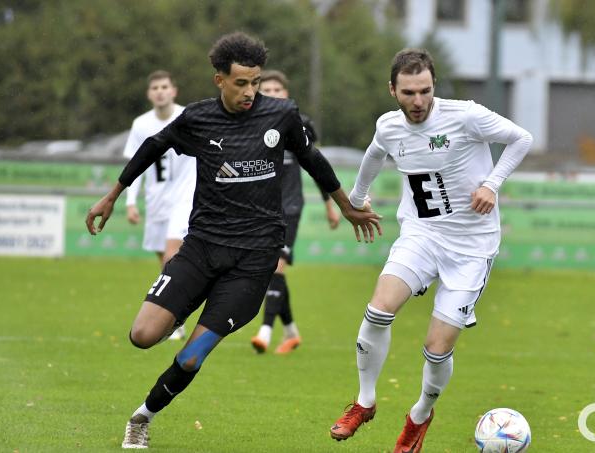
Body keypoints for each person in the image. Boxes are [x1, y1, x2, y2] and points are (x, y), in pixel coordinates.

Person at [85, 31, 381, 449]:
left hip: (254, 259)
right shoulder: (199, 119)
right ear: (219, 80)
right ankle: (179, 312)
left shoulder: (281, 115)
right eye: (240, 82)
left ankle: (141, 417)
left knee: (190, 356)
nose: (250, 92)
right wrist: (112, 195)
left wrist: (346, 205)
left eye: (255, 82)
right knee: (142, 335)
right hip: (202, 247)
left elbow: (313, 159)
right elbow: (154, 145)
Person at [328, 48, 532, 452]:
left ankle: (419, 416)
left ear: (433, 86)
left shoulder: (465, 115)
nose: (418, 101)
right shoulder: (389, 126)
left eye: (425, 91)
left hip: (472, 248)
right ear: (393, 90)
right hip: (421, 235)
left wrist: (492, 184)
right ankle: (364, 402)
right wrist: (356, 197)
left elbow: (521, 138)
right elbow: (373, 154)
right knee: (378, 308)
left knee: (438, 350)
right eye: (408, 92)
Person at [250, 69, 340, 355]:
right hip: (261, 208)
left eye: (279, 90)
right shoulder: (251, 123)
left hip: (290, 206)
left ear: (287, 94)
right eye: (269, 90)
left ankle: (264, 331)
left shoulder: (301, 125)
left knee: (276, 265)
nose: (274, 95)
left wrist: (329, 204)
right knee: (270, 268)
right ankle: (291, 332)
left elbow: (316, 166)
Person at [123, 70, 194, 340]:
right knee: (164, 266)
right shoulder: (141, 124)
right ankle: (173, 317)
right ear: (149, 94)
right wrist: (131, 202)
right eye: (155, 87)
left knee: (171, 258)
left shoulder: (188, 117)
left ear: (173, 90)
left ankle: (170, 321)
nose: (160, 91)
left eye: (165, 86)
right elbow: (135, 166)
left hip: (185, 199)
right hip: (156, 202)